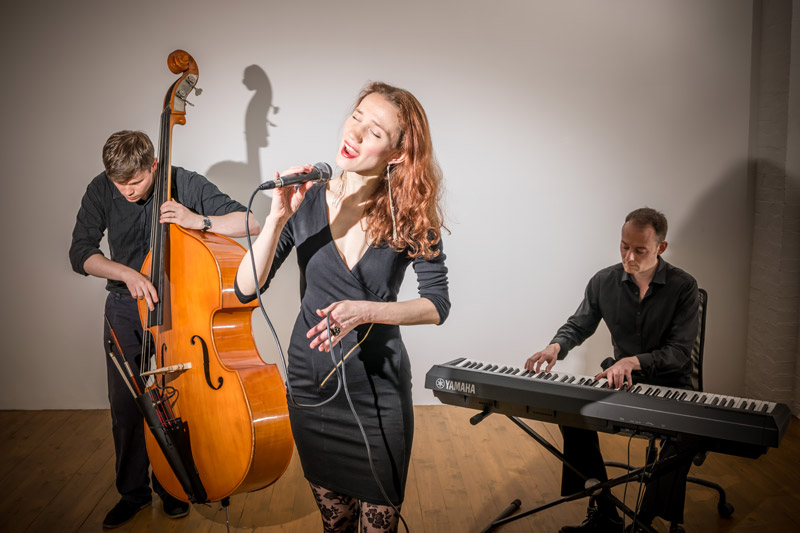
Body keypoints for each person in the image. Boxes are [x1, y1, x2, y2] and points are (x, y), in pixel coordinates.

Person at [235, 81, 450, 532]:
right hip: (311, 385)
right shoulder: (307, 199)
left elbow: (436, 304)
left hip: (378, 389)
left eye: (374, 132)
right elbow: (245, 289)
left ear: (397, 154)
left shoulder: (411, 213)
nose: (354, 133)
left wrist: (368, 311)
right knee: (336, 526)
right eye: (356, 117)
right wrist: (276, 218)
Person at [69, 130, 260, 529]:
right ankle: (133, 494)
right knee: (127, 408)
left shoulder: (183, 182)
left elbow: (250, 221)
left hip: (180, 311)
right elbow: (80, 253)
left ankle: (173, 487)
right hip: (125, 307)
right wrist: (127, 274)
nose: (127, 190)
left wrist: (198, 220)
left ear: (153, 166)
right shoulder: (102, 188)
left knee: (177, 403)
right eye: (119, 183)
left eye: (136, 181)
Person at [524, 207, 699, 533]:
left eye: (639, 250)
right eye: (624, 246)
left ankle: (646, 522)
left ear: (661, 247)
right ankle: (606, 512)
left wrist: (634, 360)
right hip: (623, 382)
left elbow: (678, 352)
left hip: (672, 383)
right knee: (570, 411)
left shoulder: (684, 287)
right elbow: (579, 324)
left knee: (685, 436)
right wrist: (556, 346)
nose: (629, 257)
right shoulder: (604, 281)